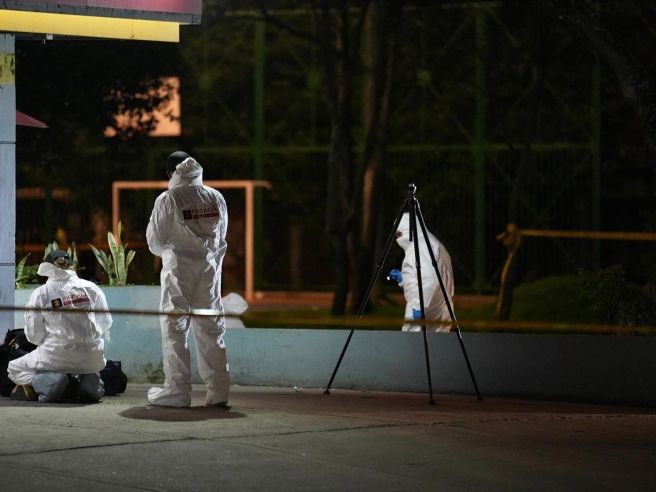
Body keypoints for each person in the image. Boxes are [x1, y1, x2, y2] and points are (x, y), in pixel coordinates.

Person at [146, 151, 230, 407]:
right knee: (211, 327)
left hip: (178, 272)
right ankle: (218, 391)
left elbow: (155, 241)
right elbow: (222, 235)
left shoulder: (168, 198)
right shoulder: (216, 197)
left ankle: (177, 391)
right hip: (210, 272)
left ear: (169, 173)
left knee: (174, 328)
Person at [7, 250, 111, 402]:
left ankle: (53, 383)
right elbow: (105, 323)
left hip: (56, 356)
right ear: (71, 265)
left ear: (47, 268)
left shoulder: (41, 293)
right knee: (85, 365)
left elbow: (34, 337)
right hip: (93, 358)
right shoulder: (92, 288)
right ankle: (86, 383)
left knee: (14, 368)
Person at [388, 213, 455, 332]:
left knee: (411, 342)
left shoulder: (420, 247)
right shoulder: (432, 243)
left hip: (424, 308)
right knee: (438, 342)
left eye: (399, 234)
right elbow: (427, 277)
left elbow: (430, 281)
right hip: (440, 308)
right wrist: (404, 279)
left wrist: (418, 306)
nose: (397, 239)